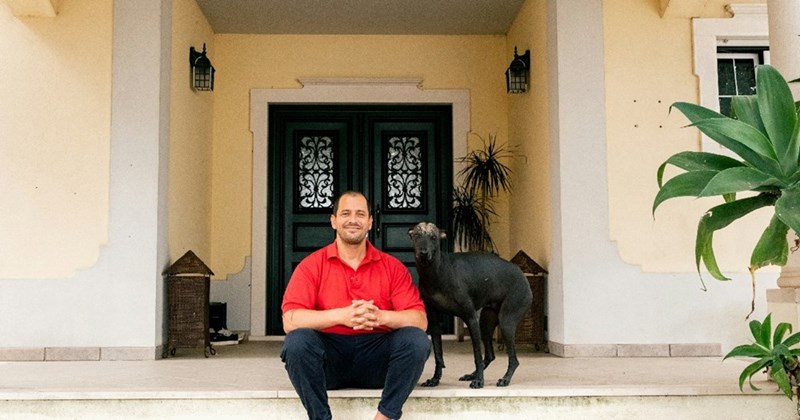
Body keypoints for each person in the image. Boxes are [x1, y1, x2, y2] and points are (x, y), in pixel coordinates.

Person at [280, 191, 430, 420]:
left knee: (417, 340)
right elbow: (290, 320)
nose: (353, 220)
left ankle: (385, 417)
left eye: (360, 214)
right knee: (296, 343)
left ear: (370, 221)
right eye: (346, 213)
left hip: (379, 361)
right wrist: (342, 316)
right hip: (329, 361)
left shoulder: (392, 267)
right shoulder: (311, 265)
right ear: (334, 220)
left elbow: (419, 320)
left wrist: (380, 317)